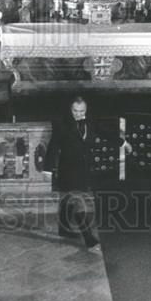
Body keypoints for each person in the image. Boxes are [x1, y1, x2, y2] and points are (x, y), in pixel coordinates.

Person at [43, 96, 101, 253]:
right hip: (67, 170)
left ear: (86, 110)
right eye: (75, 110)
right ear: (70, 110)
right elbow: (53, 146)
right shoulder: (61, 124)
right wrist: (47, 169)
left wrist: (122, 142)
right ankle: (90, 240)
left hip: (83, 170)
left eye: (82, 111)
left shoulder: (89, 122)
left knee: (68, 199)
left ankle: (63, 229)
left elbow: (105, 133)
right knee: (78, 202)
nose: (78, 114)